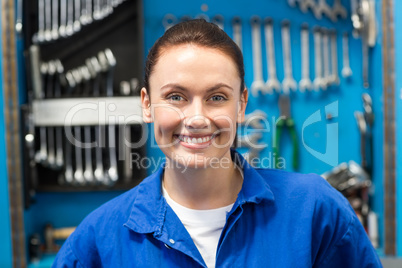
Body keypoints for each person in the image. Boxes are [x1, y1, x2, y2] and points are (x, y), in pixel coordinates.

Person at [52, 19, 382, 267]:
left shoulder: (314, 211)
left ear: (241, 105)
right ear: (147, 104)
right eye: (176, 96)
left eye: (217, 97)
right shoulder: (99, 238)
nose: (197, 118)